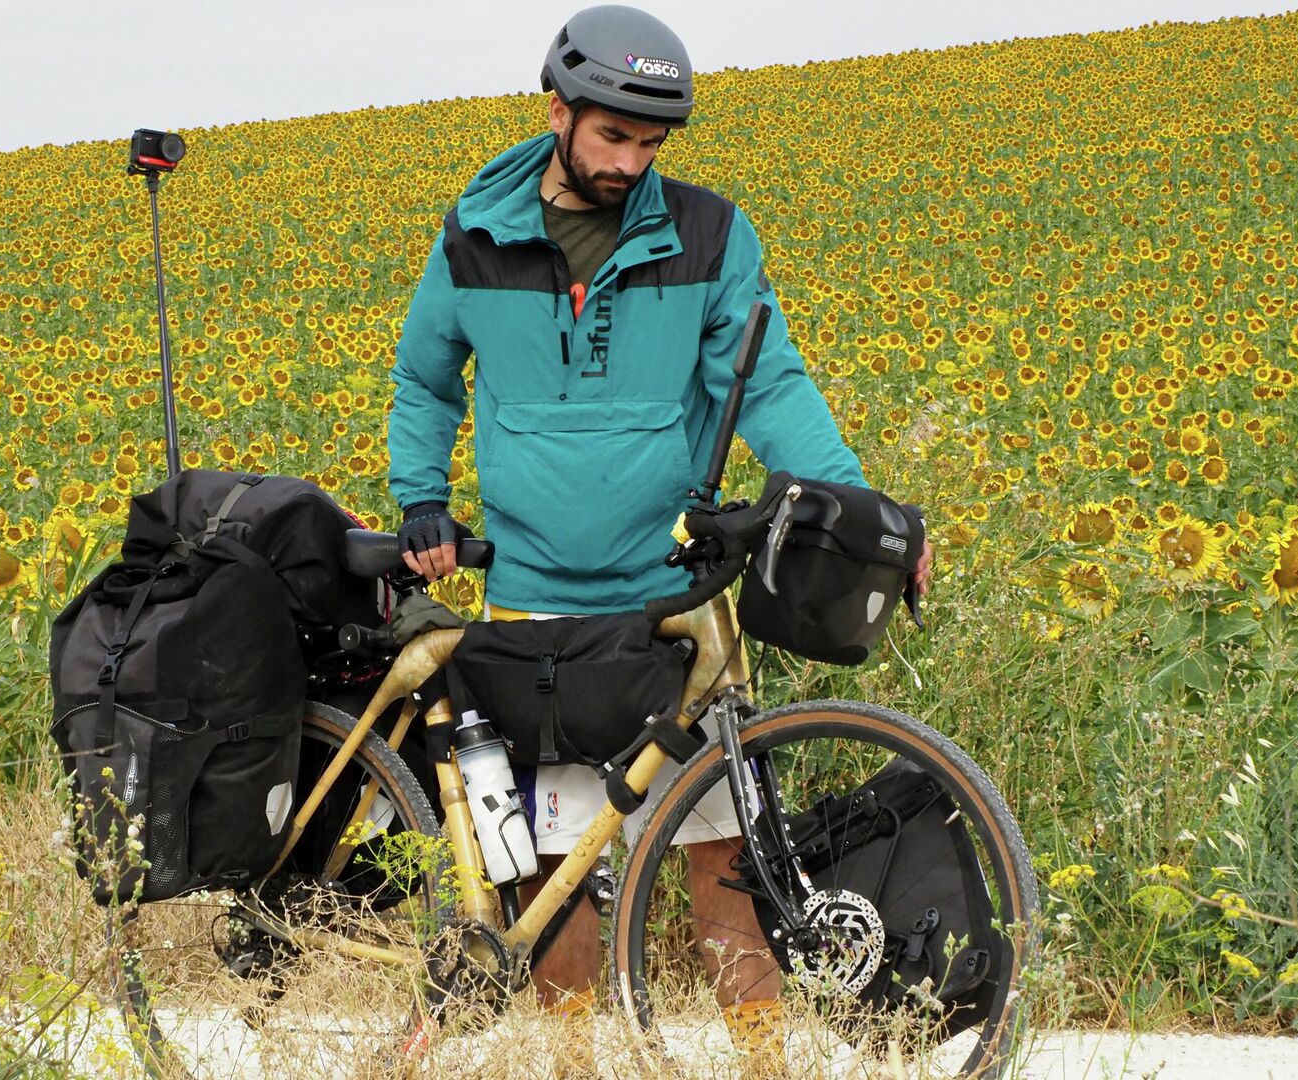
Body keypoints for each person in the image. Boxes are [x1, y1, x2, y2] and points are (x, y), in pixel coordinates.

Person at [385, 3, 934, 1042]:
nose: (633, 161)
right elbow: (424, 381)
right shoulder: (473, 234)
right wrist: (421, 495)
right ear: (559, 109)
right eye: (613, 136)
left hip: (670, 602)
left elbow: (768, 381)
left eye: (651, 143)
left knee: (727, 870)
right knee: (558, 888)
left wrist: (853, 502)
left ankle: (767, 1069)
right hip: (537, 610)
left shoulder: (711, 235)